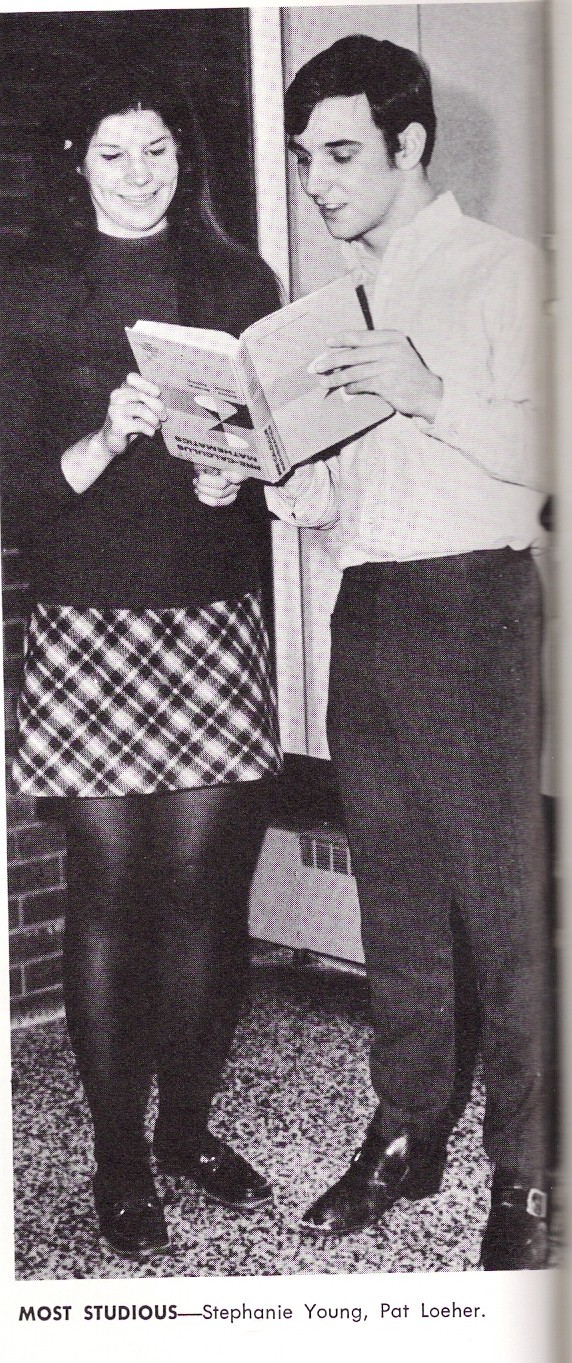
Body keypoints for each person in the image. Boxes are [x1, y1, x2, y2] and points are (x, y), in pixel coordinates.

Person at [195, 35, 550, 1270]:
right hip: (372, 605)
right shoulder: (333, 306)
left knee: (500, 906)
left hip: (471, 603)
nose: (316, 182)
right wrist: (267, 479)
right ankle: (406, 1131)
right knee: (394, 898)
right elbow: (344, 496)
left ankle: (524, 1171)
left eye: (339, 154)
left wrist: (425, 387)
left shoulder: (503, 271)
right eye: (303, 158)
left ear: (409, 144)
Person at [1, 63, 283, 1260]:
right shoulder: (28, 292)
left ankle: (185, 1129)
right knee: (111, 888)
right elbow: (16, 494)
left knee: (207, 889)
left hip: (210, 613)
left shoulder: (238, 282)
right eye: (113, 153)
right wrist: (103, 438)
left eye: (158, 149)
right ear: (77, 165)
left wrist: (234, 481)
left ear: (185, 154)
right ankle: (119, 1155)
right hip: (89, 619)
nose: (139, 174)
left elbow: (266, 461)